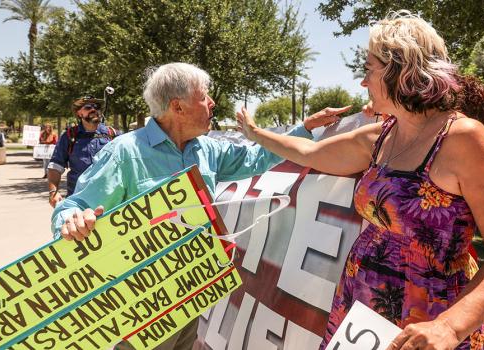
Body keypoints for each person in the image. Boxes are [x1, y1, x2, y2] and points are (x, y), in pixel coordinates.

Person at [236, 11, 484, 350]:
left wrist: (449, 327)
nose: (363, 82)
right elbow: (308, 152)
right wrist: (255, 133)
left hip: (431, 320)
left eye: (368, 70)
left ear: (401, 70)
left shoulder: (464, 140)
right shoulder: (379, 136)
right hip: (361, 305)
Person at [51, 62, 343, 350]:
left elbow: (258, 158)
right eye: (204, 96)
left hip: (191, 293)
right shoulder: (125, 153)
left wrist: (305, 128)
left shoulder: (207, 149)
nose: (212, 103)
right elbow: (75, 205)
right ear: (177, 107)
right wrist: (72, 219)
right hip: (144, 305)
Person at [47, 96, 119, 207]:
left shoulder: (112, 134)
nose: (94, 109)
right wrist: (53, 192)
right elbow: (55, 167)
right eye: (88, 107)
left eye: (96, 107)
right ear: (79, 113)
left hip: (110, 200)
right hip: (78, 201)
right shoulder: (69, 136)